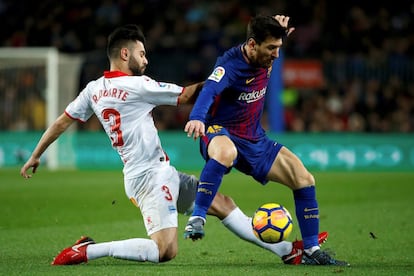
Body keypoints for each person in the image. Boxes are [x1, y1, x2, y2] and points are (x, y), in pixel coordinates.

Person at [20, 24, 327, 266]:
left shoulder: (93, 89)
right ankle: (88, 251)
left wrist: (36, 154)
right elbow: (187, 95)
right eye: (142, 53)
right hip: (148, 179)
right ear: (125, 54)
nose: (146, 59)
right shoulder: (140, 86)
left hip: (156, 172)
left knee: (223, 204)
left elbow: (62, 120)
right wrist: (228, 75)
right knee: (164, 251)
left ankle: (286, 251)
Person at [183, 15, 349, 266]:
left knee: (303, 178)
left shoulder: (264, 52)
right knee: (226, 152)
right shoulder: (229, 65)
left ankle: (311, 250)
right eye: (271, 48)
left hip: (254, 138)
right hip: (219, 130)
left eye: (279, 48)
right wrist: (196, 117)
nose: (276, 55)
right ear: (252, 45)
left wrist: (280, 34)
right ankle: (197, 218)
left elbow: (272, 43)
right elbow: (209, 90)